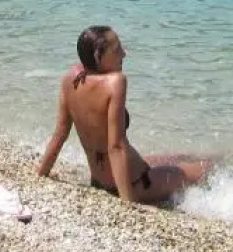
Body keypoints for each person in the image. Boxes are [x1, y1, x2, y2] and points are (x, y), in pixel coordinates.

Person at [37, 25, 213, 204]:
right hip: (136, 184)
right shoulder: (115, 82)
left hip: (100, 181)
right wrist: (128, 203)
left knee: (177, 157)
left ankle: (215, 155)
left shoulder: (69, 81)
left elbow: (60, 134)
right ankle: (223, 162)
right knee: (207, 168)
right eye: (117, 49)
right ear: (98, 56)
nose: (124, 54)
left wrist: (41, 174)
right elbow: (116, 146)